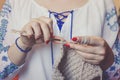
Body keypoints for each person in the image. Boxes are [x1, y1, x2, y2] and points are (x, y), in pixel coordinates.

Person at [0, 0, 119, 80]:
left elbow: (116, 74)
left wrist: (107, 59)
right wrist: (23, 44)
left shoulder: (103, 4)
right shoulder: (16, 3)